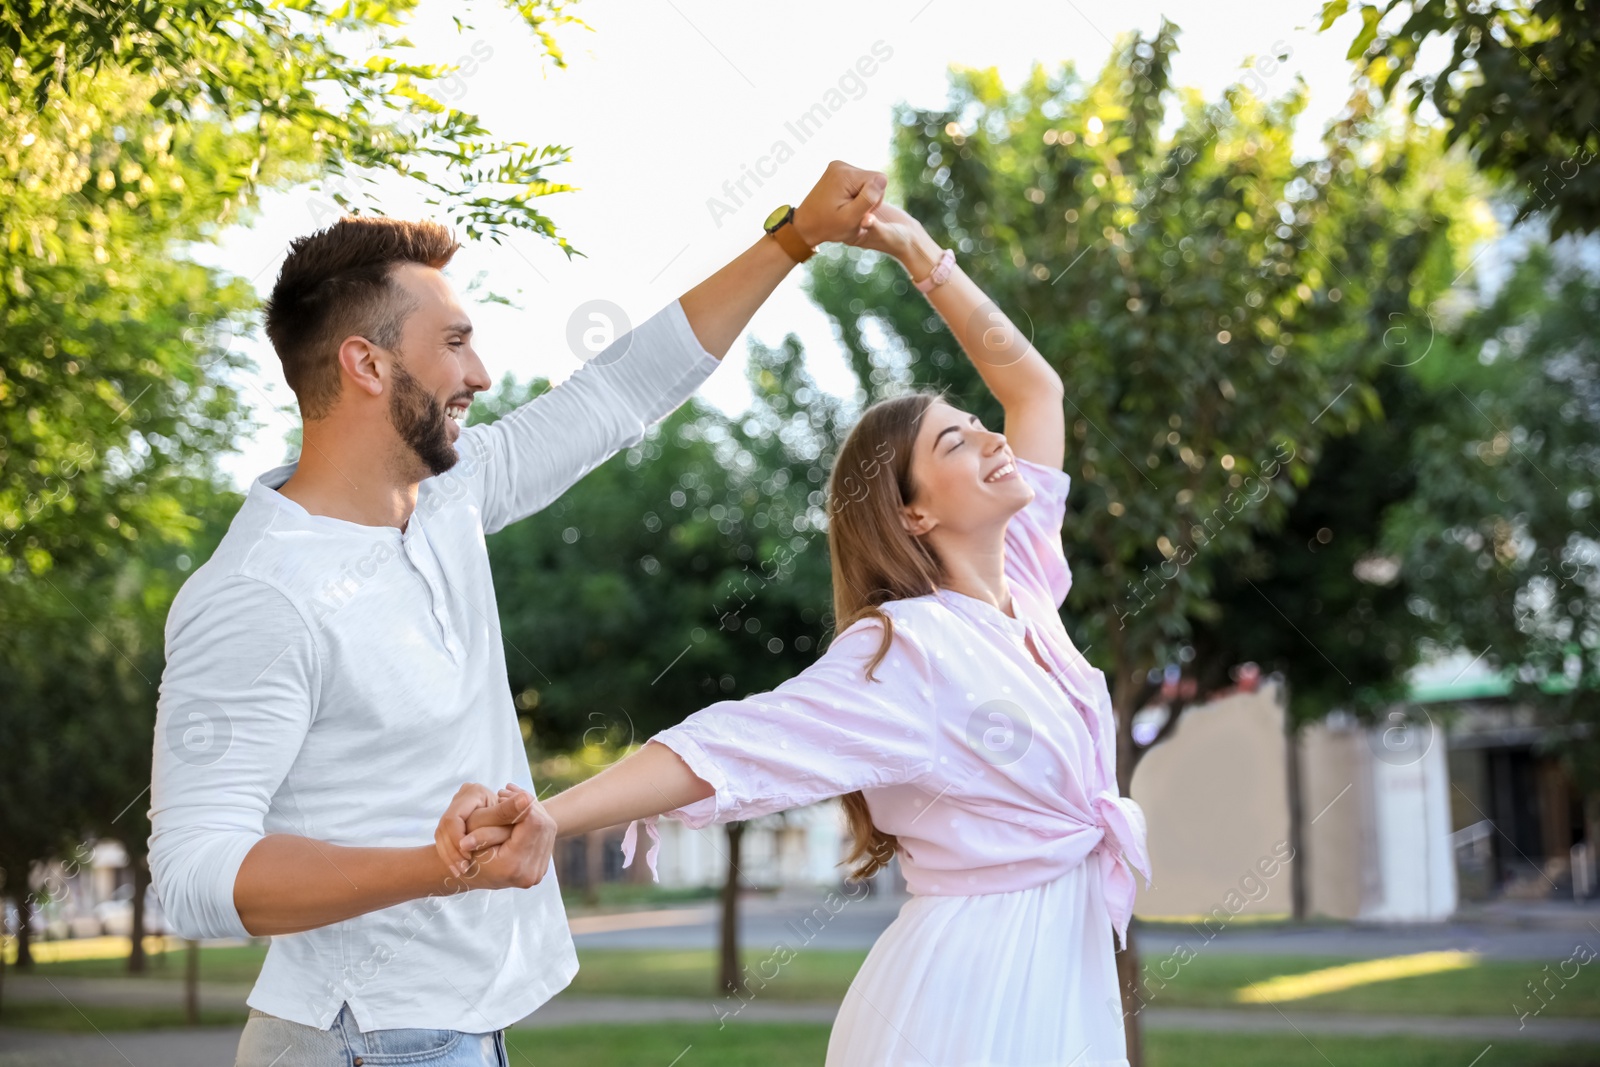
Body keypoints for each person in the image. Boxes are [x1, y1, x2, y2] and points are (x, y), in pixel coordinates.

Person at [147, 161, 888, 1067]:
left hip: (458, 1028)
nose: (481, 373)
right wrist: (439, 864)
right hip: (358, 1038)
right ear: (366, 363)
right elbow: (192, 875)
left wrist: (794, 237)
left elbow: (618, 392)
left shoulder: (449, 497)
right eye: (454, 343)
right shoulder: (256, 593)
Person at [461, 201, 1152, 1066]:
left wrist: (915, 251)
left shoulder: (1032, 584)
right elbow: (729, 744)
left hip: (1060, 979)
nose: (987, 433)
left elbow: (1033, 387)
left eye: (973, 421)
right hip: (975, 1001)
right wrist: (552, 816)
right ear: (914, 510)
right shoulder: (905, 649)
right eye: (954, 438)